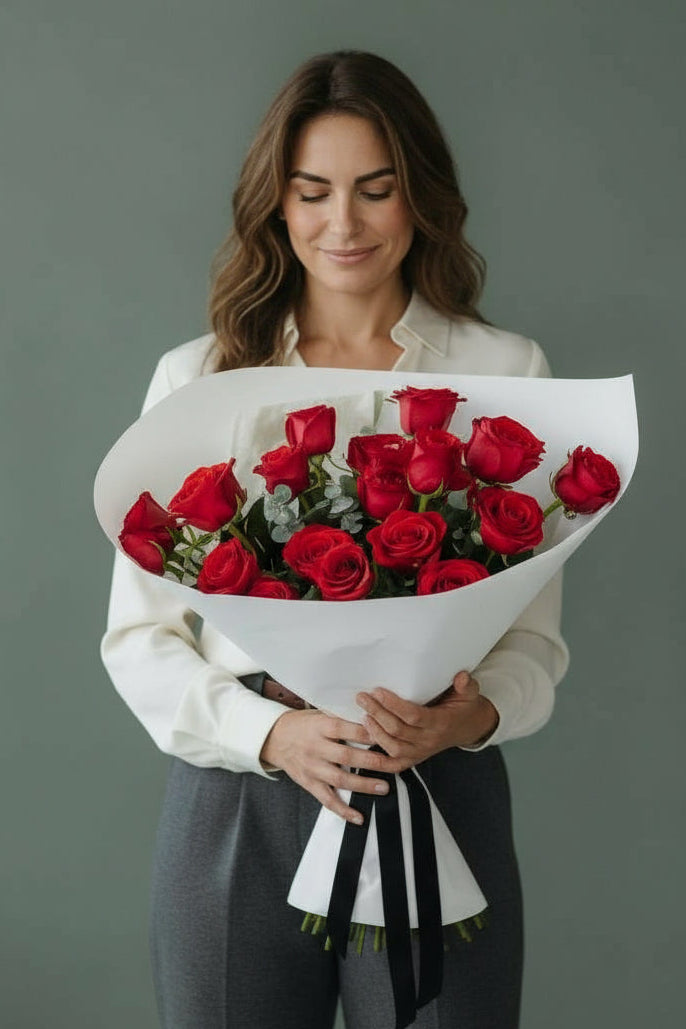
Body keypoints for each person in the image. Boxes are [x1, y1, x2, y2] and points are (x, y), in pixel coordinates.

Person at [100, 50, 569, 1029]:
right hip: (238, 802)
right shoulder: (196, 380)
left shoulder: (507, 376)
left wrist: (460, 724)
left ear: (419, 198)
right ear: (275, 204)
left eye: (374, 190)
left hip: (436, 784)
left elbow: (532, 647)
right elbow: (138, 639)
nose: (342, 224)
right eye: (311, 193)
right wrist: (271, 733)